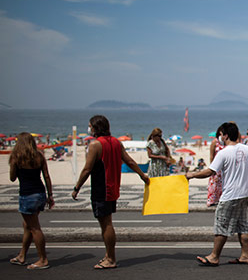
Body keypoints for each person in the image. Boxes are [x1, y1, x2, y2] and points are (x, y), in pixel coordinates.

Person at [187, 122, 248, 266]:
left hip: (230, 194)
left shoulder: (223, 153)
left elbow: (210, 171)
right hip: (246, 193)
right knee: (242, 224)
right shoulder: (246, 149)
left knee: (221, 224)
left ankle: (214, 256)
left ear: (225, 135)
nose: (220, 137)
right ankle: (245, 255)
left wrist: (192, 175)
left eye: (221, 134)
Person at [72, 115, 149, 269]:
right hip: (113, 188)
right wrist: (142, 175)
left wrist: (77, 188)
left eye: (90, 126)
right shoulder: (116, 143)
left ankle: (111, 259)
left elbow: (87, 169)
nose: (89, 129)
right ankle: (108, 255)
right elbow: (130, 161)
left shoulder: (95, 145)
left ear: (95, 128)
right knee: (106, 223)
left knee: (106, 224)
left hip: (102, 188)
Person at [8, 132, 53, 270]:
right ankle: (22, 255)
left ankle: (43, 259)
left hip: (27, 195)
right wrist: (50, 195)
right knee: (27, 225)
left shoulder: (17, 157)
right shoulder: (39, 156)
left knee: (34, 228)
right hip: (40, 193)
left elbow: (12, 178)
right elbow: (46, 176)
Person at [207, 125, 225, 207]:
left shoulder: (226, 142)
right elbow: (211, 155)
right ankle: (212, 200)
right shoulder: (215, 142)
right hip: (216, 165)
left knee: (223, 184)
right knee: (214, 183)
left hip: (224, 166)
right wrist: (212, 166)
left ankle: (221, 199)